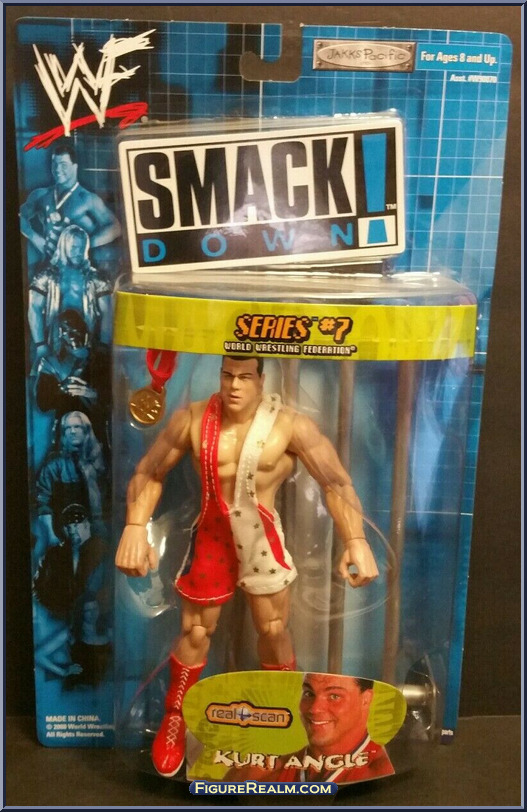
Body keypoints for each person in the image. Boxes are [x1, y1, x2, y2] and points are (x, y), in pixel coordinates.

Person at [115, 355, 379, 778]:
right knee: (195, 631)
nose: (234, 385)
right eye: (227, 375)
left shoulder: (288, 425)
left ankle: (287, 715)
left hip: (261, 537)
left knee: (273, 630)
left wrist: (356, 540)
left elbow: (335, 481)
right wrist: (134, 527)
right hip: (212, 535)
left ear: (261, 379)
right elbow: (149, 471)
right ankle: (176, 716)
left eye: (244, 376)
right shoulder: (193, 419)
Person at [226, 673, 395, 784]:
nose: (314, 709)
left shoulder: (385, 774)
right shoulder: (256, 775)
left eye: (334, 696)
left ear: (366, 699)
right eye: (308, 694)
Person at [19, 141, 121, 261]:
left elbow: (115, 228)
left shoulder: (88, 199)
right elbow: (19, 217)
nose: (57, 169)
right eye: (54, 164)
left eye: (63, 165)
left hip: (79, 266)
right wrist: (35, 237)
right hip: (49, 264)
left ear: (74, 167)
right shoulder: (40, 195)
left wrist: (85, 245)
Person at [28, 225, 112, 361]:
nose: (78, 252)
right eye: (73, 247)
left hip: (87, 339)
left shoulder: (95, 277)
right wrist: (40, 344)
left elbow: (108, 312)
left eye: (82, 248)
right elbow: (34, 308)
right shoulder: (46, 276)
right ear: (63, 246)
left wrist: (104, 343)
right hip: (53, 338)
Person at [34, 308, 110, 443]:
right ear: (59, 333)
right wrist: (63, 388)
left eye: (74, 327)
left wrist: (92, 394)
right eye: (65, 329)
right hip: (65, 428)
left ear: (83, 328)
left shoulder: (101, 359)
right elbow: (43, 403)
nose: (71, 334)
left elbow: (115, 397)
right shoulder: (50, 363)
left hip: (96, 429)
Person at [35, 411, 106, 555]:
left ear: (86, 430)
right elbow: (42, 502)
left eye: (77, 427)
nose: (72, 431)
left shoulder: (100, 461)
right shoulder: (54, 465)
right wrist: (52, 536)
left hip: (99, 534)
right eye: (68, 428)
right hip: (64, 536)